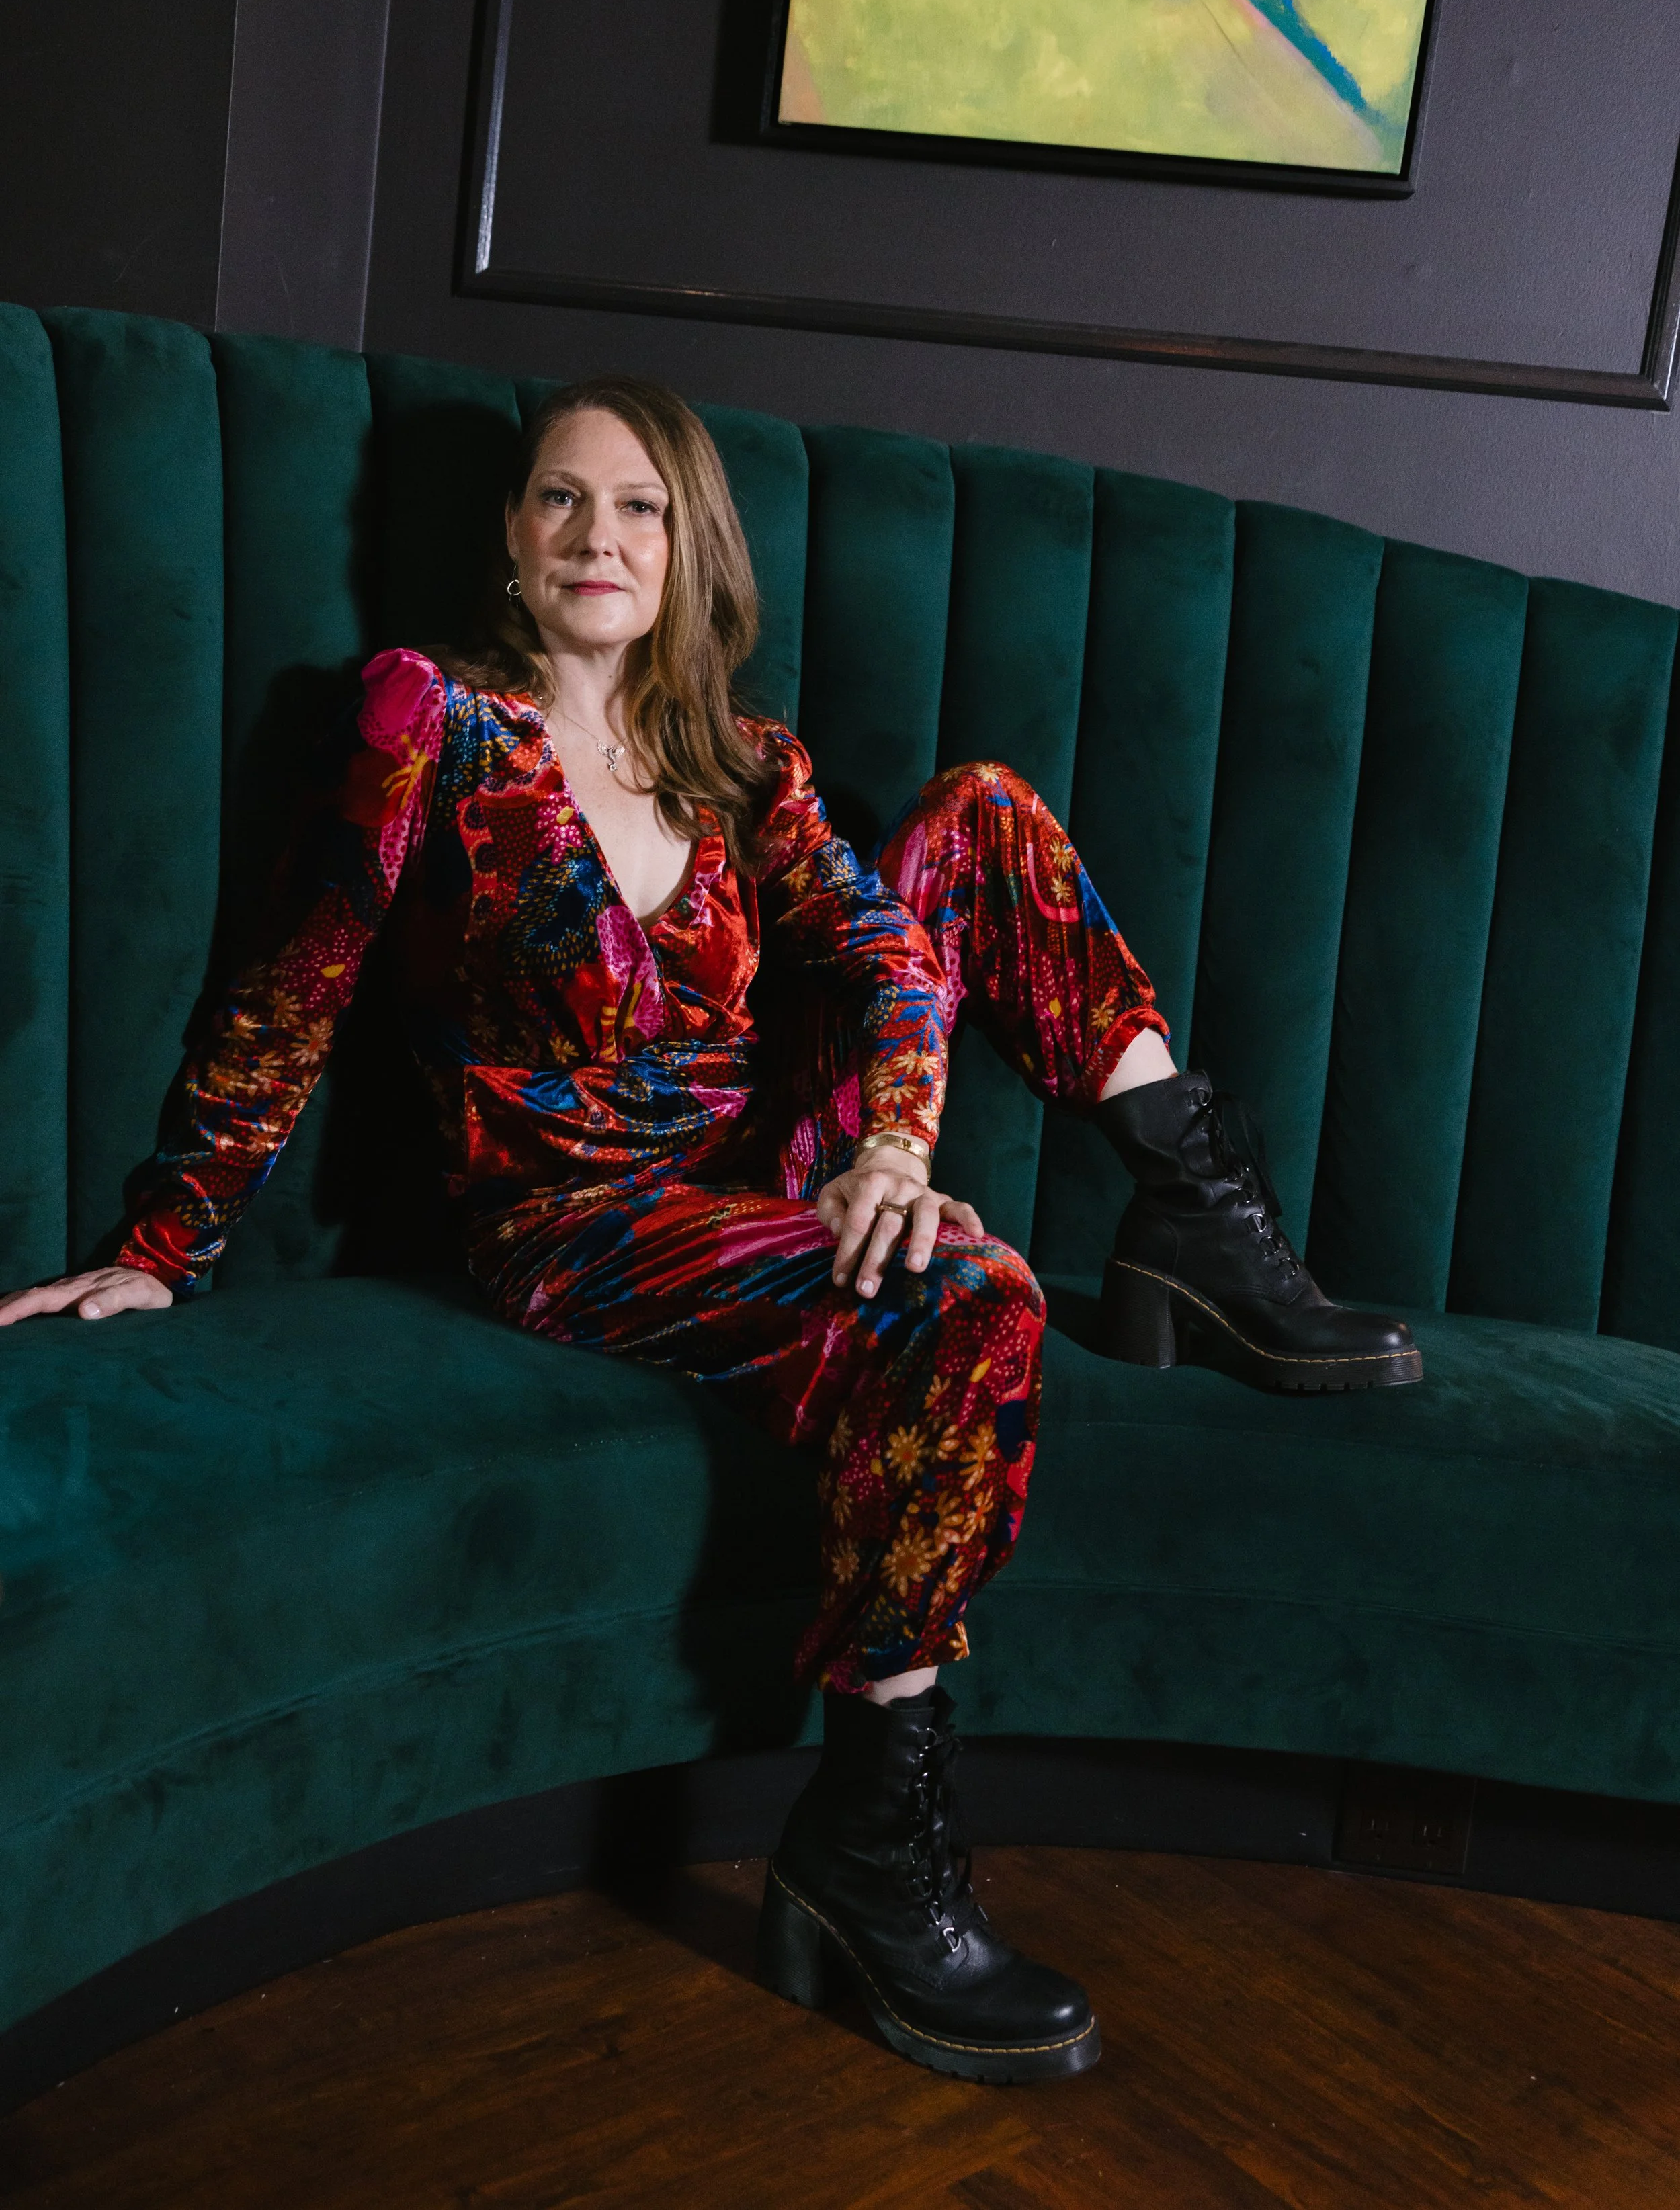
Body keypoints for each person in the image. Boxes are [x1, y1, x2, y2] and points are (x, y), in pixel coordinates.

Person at [0, 378, 1419, 2085]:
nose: (598, 535)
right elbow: (298, 975)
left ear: (688, 551)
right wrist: (169, 1238)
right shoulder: (431, 721)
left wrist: (885, 1148)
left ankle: (1197, 1214)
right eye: (557, 501)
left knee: (979, 813)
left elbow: (895, 958)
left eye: (640, 507)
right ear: (512, 546)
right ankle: (876, 1830)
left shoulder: (744, 763)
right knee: (971, 1295)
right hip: (576, 1219)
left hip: (762, 1172)